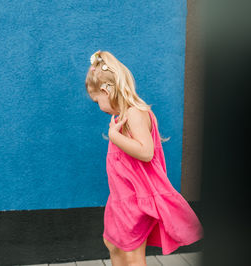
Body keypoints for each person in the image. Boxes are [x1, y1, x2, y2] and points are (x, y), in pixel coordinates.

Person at [85, 50, 203, 266]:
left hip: (134, 200)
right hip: (120, 197)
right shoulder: (123, 116)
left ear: (106, 90)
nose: (98, 107)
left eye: (96, 101)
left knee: (132, 256)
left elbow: (146, 152)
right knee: (112, 243)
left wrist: (114, 137)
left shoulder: (134, 113)